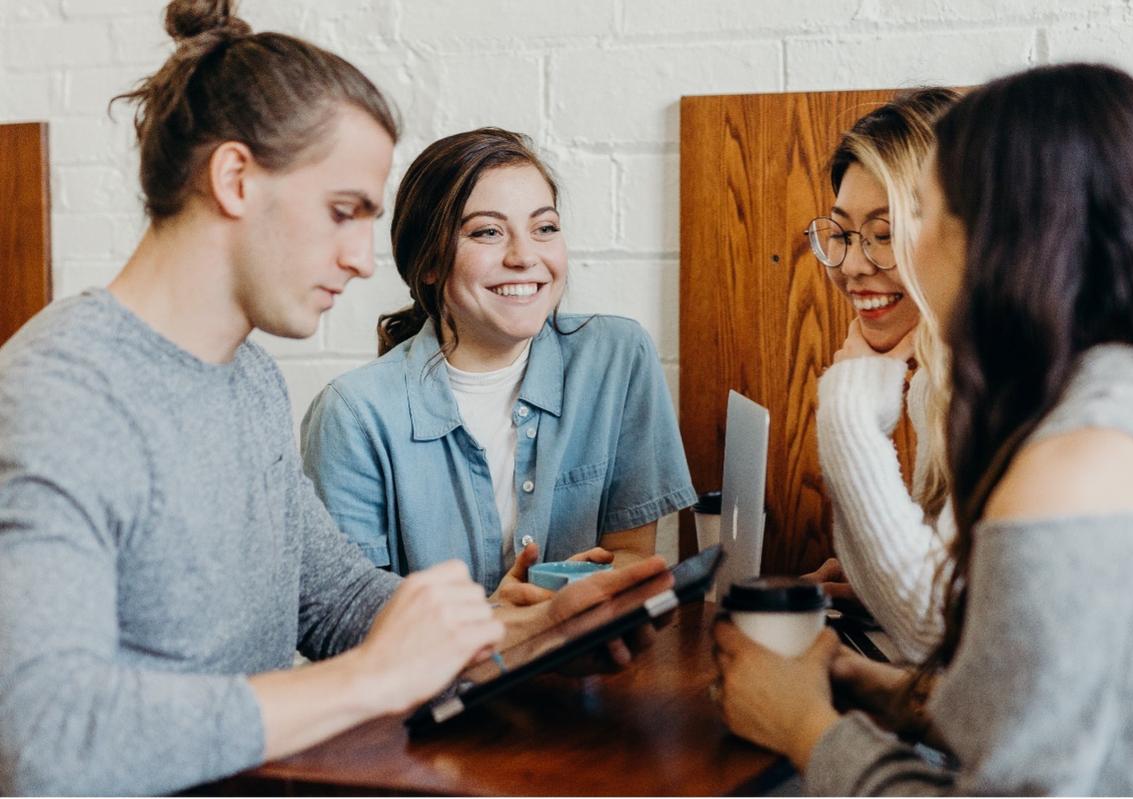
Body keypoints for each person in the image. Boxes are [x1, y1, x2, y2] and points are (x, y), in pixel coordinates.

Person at [0, 2, 667, 794]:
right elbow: (44, 738)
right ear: (235, 178)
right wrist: (370, 680)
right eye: (343, 211)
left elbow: (338, 597)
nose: (360, 259)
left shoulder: (245, 378)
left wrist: (515, 633)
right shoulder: (58, 394)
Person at [714, 62, 1133, 795]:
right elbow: (1059, 721)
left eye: (924, 213)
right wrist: (886, 692)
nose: (880, 257)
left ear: (1004, 234)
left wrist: (805, 728)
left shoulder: (1074, 461)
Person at [301, 127, 697, 604]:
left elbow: (632, 555)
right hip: (441, 678)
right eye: (487, 232)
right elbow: (353, 620)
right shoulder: (352, 415)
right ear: (427, 262)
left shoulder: (617, 358)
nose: (525, 256)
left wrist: (569, 594)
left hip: (586, 668)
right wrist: (501, 621)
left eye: (544, 228)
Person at [803, 88, 960, 663]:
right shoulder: (936, 380)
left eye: (885, 233)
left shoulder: (1002, 386)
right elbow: (947, 609)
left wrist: (848, 407)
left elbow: (931, 630)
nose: (851, 265)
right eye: (842, 234)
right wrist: (874, 579)